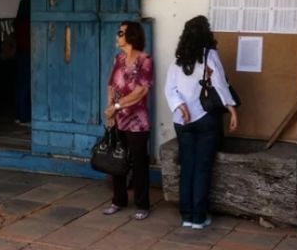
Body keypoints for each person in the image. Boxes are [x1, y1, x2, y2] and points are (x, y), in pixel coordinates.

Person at [164, 15, 238, 229]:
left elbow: (169, 89)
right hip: (206, 119)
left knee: (187, 166)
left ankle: (186, 216)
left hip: (182, 121)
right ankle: (199, 217)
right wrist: (232, 110)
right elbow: (220, 85)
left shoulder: (177, 60)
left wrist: (181, 107)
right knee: (202, 168)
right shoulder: (209, 56)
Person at [102, 21, 153, 221]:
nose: (117, 36)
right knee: (118, 161)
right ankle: (118, 200)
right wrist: (110, 110)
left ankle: (142, 204)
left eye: (120, 32)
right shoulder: (119, 58)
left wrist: (116, 106)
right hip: (119, 119)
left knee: (139, 164)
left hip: (137, 121)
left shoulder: (145, 60)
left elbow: (141, 91)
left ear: (131, 36)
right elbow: (111, 85)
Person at [13, 0, 31, 125]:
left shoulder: (17, 22)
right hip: (27, 53)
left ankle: (20, 115)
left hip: (20, 53)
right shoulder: (28, 23)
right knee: (26, 86)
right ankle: (25, 116)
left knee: (21, 85)